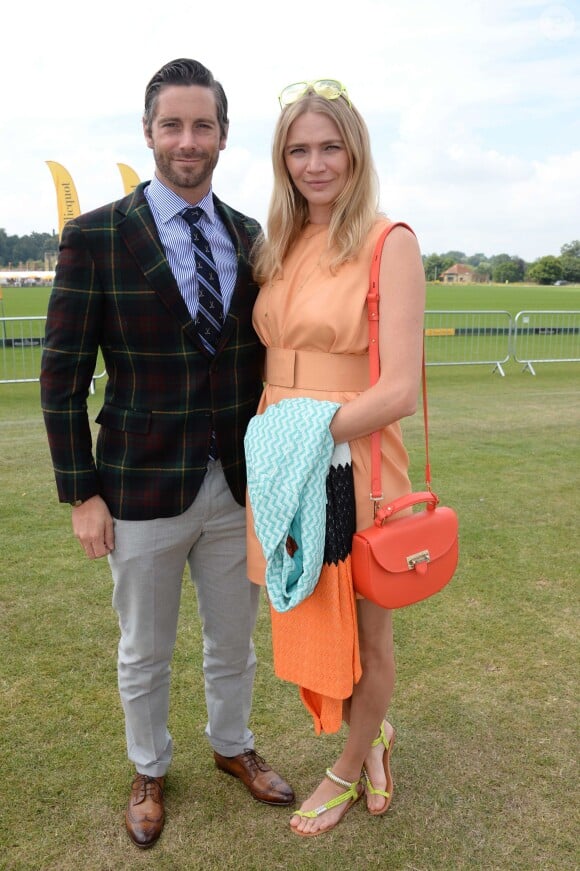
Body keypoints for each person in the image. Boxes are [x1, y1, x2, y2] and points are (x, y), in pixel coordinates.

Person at [40, 58, 294, 850]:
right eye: (173, 125)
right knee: (145, 648)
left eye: (203, 125)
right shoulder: (95, 237)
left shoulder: (253, 237)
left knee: (234, 639)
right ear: (149, 133)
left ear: (222, 134)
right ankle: (148, 765)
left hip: (234, 484)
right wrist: (81, 493)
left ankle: (232, 745)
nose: (189, 140)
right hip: (137, 487)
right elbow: (61, 376)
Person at [247, 79, 426, 836]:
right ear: (283, 160)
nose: (315, 164)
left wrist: (306, 431)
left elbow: (401, 390)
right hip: (283, 462)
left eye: (329, 146)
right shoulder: (278, 243)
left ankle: (347, 768)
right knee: (314, 617)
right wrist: (280, 443)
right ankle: (371, 733)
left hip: (351, 458)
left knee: (368, 628)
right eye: (298, 149)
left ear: (355, 152)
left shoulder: (391, 242)